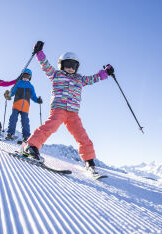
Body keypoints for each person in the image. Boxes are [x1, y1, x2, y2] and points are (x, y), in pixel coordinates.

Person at [24, 41, 114, 174]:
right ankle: (31, 147)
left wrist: (106, 72)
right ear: (61, 64)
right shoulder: (55, 74)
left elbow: (94, 78)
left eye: (74, 65)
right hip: (59, 109)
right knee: (51, 126)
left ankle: (89, 160)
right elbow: (45, 65)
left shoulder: (80, 79)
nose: (71, 68)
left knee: (81, 135)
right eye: (68, 64)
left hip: (73, 113)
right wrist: (39, 52)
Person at [4, 68, 42, 142]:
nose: (25, 78)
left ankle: (26, 137)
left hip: (25, 107)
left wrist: (38, 100)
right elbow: (12, 93)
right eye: (24, 75)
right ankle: (10, 134)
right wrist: (7, 95)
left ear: (30, 77)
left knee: (25, 122)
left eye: (27, 76)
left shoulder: (31, 86)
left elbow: (33, 96)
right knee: (13, 119)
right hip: (16, 106)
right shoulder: (18, 84)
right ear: (21, 76)